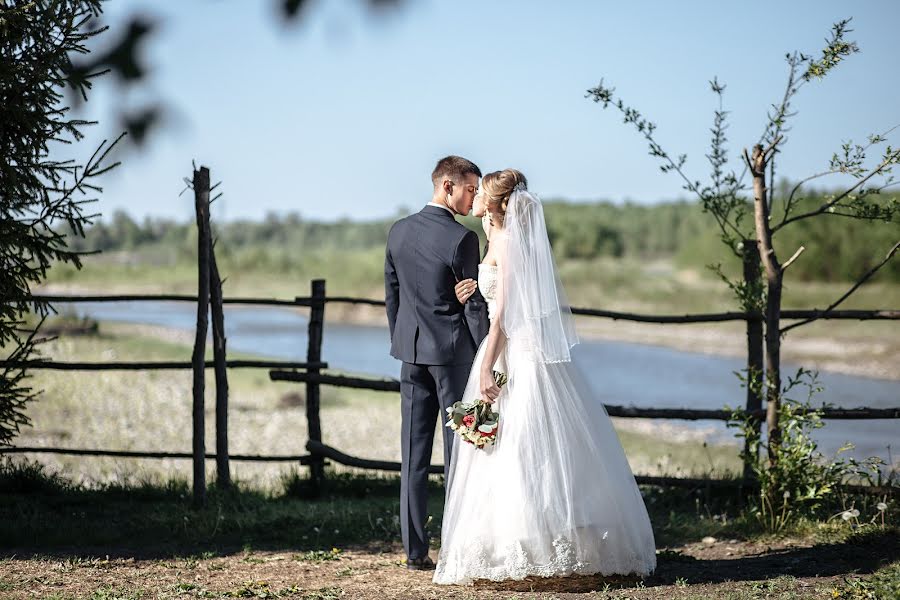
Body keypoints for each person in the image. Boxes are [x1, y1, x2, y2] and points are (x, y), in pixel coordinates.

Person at [433, 169, 657, 585]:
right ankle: (513, 540)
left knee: (527, 442)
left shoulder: (510, 243)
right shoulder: (497, 237)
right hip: (509, 348)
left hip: (521, 353)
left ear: (499, 203)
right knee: (509, 445)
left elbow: (503, 315)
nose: (475, 194)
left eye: (481, 191)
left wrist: (486, 367)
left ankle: (540, 541)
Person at [384, 156, 490, 570]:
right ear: (447, 186)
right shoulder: (462, 240)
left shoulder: (398, 231)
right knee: (459, 453)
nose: (474, 197)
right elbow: (472, 309)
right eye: (470, 189)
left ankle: (414, 553)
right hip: (451, 358)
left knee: (414, 456)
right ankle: (455, 549)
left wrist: (403, 341)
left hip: (410, 357)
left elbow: (393, 298)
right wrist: (487, 355)